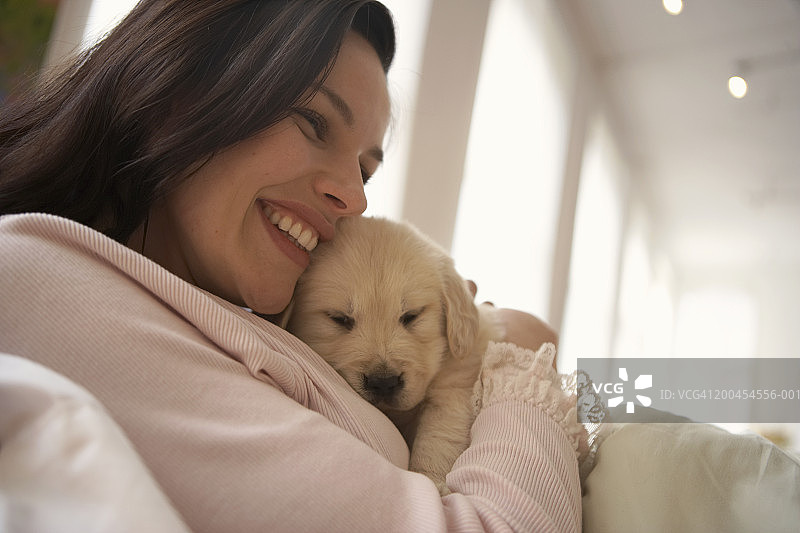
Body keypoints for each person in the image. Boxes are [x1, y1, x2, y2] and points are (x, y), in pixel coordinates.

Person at [0, 1, 586, 531]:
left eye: (367, 169)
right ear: (175, 98)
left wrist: (637, 388)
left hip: (586, 426)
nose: (356, 200)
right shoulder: (41, 283)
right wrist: (521, 363)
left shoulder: (218, 312)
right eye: (313, 123)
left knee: (669, 397)